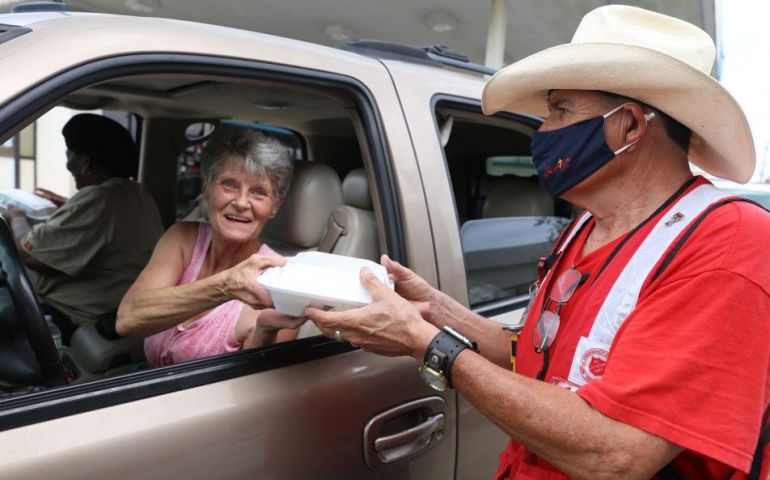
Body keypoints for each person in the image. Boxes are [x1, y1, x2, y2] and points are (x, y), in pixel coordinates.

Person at [304, 6, 770, 479]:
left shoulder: (727, 242)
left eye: (560, 109)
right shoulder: (586, 227)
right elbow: (540, 357)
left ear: (627, 126)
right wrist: (437, 310)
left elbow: (618, 454)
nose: (544, 130)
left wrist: (429, 343)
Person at [116, 126, 304, 367]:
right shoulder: (183, 238)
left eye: (258, 192)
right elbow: (128, 319)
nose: (241, 202)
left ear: (275, 206)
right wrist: (227, 285)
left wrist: (264, 332)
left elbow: (254, 390)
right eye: (229, 185)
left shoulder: (279, 281)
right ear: (206, 189)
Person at [3, 113, 164, 343]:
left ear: (86, 162)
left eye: (70, 155)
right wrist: (71, 206)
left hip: (74, 316)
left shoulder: (100, 200)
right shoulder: (136, 193)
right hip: (113, 306)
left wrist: (15, 216)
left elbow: (30, 254)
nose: (68, 163)